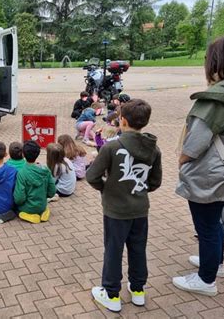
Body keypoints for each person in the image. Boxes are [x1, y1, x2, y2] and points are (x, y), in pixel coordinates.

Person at [172, 34, 224, 297]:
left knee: (207, 226)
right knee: (217, 224)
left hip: (209, 173)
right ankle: (216, 263)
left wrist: (182, 159)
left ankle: (206, 279)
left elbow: (196, 142)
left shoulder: (216, 99)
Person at [86, 99, 162, 312]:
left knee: (113, 249)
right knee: (138, 248)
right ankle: (138, 290)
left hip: (116, 210)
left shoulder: (112, 147)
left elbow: (92, 175)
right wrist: (138, 192)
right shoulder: (154, 149)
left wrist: (105, 188)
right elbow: (155, 182)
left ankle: (111, 293)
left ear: (123, 120)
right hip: (140, 208)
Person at [13, 141, 56, 224]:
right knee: (43, 208)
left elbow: (19, 198)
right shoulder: (46, 170)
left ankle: (29, 216)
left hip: (27, 208)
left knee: (17, 210)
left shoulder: (22, 173)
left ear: (23, 155)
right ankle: (43, 213)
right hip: (42, 205)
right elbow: (52, 192)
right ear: (38, 154)